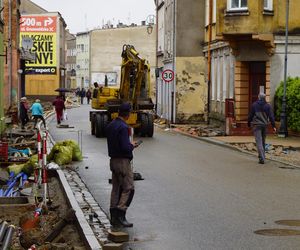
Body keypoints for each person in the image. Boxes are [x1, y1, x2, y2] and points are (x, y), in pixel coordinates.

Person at [106, 103, 140, 227]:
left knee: (116, 188)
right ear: (128, 114)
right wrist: (132, 145)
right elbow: (126, 147)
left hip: (113, 160)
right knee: (129, 188)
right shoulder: (124, 127)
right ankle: (121, 214)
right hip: (123, 162)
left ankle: (113, 216)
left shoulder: (111, 125)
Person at [248, 93, 276, 164]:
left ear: (258, 97)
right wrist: (274, 126)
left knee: (259, 142)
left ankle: (262, 158)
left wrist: (248, 123)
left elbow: (250, 115)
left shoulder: (254, 105)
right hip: (264, 125)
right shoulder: (268, 106)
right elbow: (271, 117)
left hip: (257, 125)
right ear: (264, 98)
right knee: (263, 141)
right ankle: (262, 156)